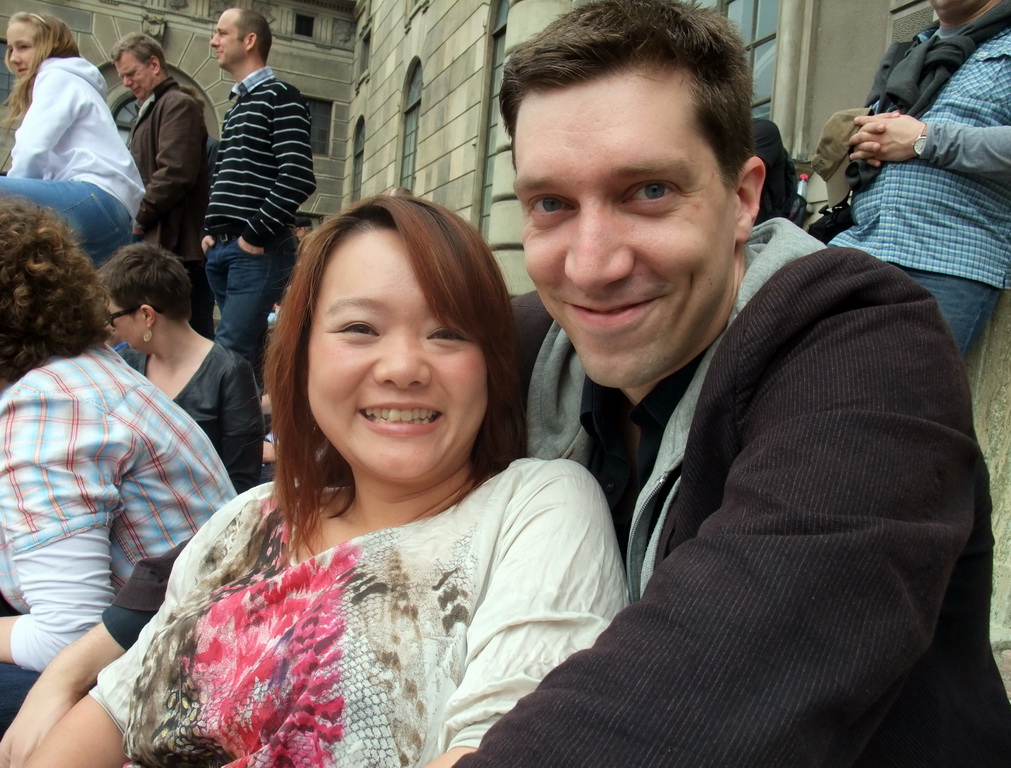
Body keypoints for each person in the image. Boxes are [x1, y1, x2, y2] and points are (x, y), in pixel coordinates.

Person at [7, 1, 1011, 765]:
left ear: (742, 196)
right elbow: (303, 498)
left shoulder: (863, 347)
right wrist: (92, 654)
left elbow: (711, 679)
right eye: (547, 204)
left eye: (648, 192)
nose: (591, 259)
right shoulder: (532, 336)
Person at [26, 195, 626, 767]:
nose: (403, 369)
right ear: (304, 354)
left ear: (490, 365)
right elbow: (115, 710)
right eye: (361, 328)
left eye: (447, 334)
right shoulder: (247, 518)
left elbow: (502, 745)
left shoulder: (536, 507)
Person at [0, 200, 234, 736]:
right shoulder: (92, 373)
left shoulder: (46, 404)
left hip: (174, 677)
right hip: (183, 635)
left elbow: (70, 639)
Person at [829, 0, 1011, 355]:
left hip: (944, 265)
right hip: (860, 245)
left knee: (898, 404)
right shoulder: (912, 46)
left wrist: (923, 140)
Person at [203, 7, 317, 381]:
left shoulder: (281, 96)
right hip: (224, 250)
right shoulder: (236, 107)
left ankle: (214, 440)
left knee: (227, 355)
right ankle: (253, 438)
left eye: (221, 32)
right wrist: (210, 230)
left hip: (256, 250)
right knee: (244, 360)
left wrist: (253, 236)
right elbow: (226, 174)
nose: (213, 40)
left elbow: (298, 176)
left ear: (248, 40)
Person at [97, 243, 265, 494]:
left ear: (147, 315)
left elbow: (239, 483)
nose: (111, 327)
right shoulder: (126, 361)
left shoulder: (229, 372)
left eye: (113, 317)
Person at [0, 13, 144, 266]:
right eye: (10, 48)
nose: (13, 57)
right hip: (115, 216)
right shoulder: (77, 82)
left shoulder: (56, 76)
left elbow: (31, 150)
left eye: (23, 47)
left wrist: (14, 208)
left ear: (49, 45)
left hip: (92, 198)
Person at [110, 33, 216, 339]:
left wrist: (139, 218)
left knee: (189, 339)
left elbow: (175, 173)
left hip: (177, 250)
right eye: (122, 77)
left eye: (131, 73)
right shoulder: (156, 108)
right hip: (162, 247)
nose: (127, 82)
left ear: (154, 64)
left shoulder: (177, 104)